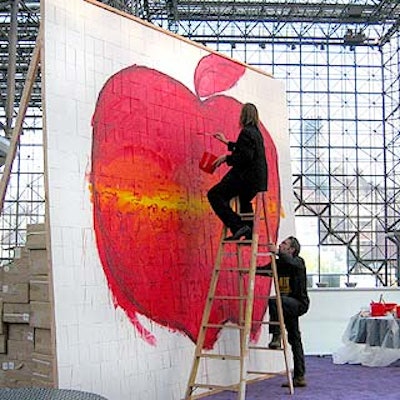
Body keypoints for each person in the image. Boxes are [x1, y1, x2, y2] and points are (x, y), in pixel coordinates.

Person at [207, 103, 268, 240]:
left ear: (243, 116)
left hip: (246, 178)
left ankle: (238, 226)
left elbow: (245, 156)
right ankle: (248, 232)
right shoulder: (256, 133)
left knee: (215, 195)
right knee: (243, 200)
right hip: (257, 182)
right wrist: (226, 142)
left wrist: (226, 158)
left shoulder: (246, 132)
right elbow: (244, 148)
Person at [257, 236, 310, 388]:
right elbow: (266, 270)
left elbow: (289, 261)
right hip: (285, 305)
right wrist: (248, 270)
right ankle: (299, 377)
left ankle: (276, 335)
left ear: (292, 249)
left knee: (275, 301)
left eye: (284, 244)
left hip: (298, 303)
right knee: (295, 339)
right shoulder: (279, 264)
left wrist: (278, 252)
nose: (281, 244)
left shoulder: (298, 262)